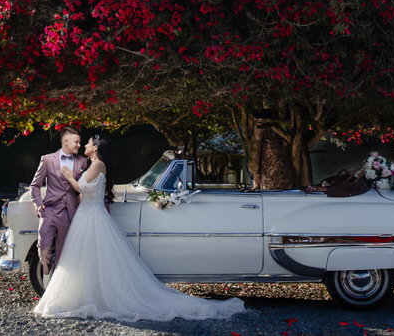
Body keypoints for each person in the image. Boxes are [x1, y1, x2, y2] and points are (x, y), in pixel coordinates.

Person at [34, 135, 245, 321]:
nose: (84, 146)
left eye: (87, 143)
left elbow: (81, 188)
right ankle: (85, 294)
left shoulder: (97, 165)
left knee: (91, 256)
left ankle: (93, 296)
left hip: (91, 215)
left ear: (96, 148)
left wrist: (69, 177)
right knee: (85, 257)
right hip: (88, 214)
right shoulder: (93, 165)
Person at [29, 126, 89, 278]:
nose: (79, 145)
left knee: (64, 254)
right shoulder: (47, 160)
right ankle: (46, 272)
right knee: (44, 247)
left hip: (70, 214)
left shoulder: (82, 162)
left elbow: (86, 186)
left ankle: (56, 285)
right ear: (66, 141)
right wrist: (38, 204)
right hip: (49, 211)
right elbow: (35, 185)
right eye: (76, 142)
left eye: (80, 142)